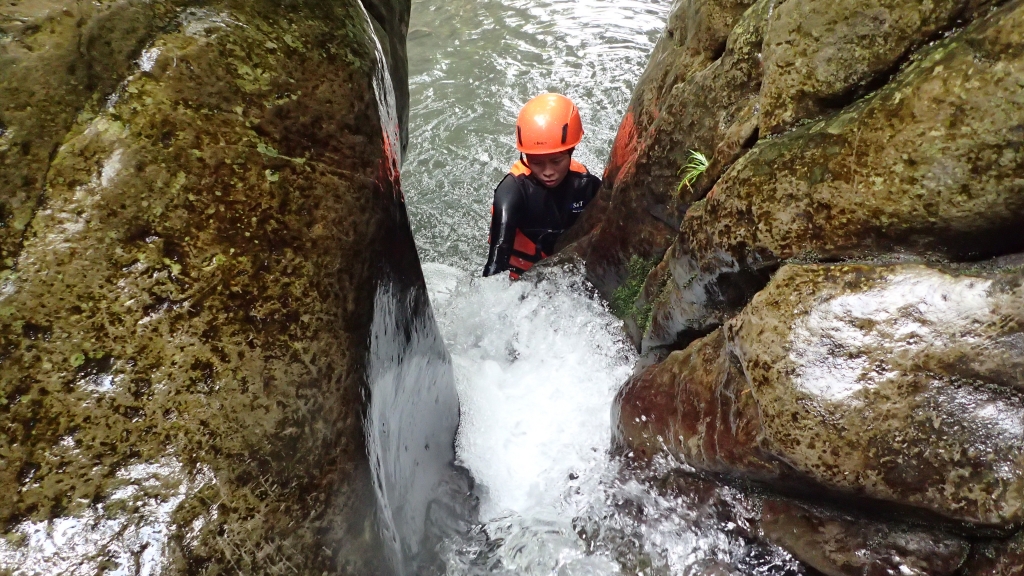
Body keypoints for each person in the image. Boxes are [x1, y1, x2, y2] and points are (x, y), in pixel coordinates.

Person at [483, 93, 601, 279]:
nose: (548, 171)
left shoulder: (586, 185)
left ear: (571, 151)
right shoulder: (512, 192)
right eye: (536, 162)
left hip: (563, 274)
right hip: (520, 280)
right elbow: (496, 263)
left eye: (556, 161)